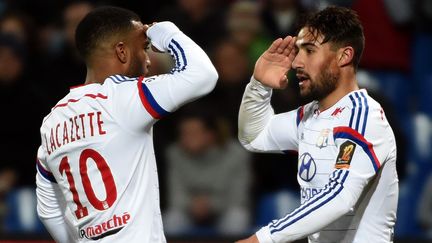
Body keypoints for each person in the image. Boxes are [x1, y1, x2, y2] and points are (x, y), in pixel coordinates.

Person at [35, 6, 218, 243]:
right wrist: (165, 31)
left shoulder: (52, 121)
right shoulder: (123, 96)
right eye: (143, 48)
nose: (149, 60)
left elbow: (47, 210)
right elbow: (203, 75)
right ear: (122, 51)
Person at [236, 6, 398, 243]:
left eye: (309, 51)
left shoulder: (364, 117)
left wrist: (263, 238)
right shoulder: (310, 117)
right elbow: (253, 137)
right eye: (298, 51)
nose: (296, 63)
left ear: (344, 56)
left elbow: (339, 196)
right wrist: (259, 86)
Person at [163, 113, 251, 236]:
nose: (185, 138)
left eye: (192, 133)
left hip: (223, 211)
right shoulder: (174, 154)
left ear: (210, 135)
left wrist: (210, 205)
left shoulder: (236, 154)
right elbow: (175, 197)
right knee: (172, 219)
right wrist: (192, 205)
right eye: (183, 134)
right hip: (189, 211)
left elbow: (238, 198)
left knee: (237, 218)